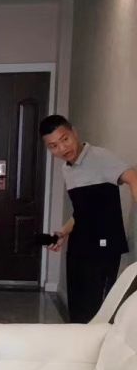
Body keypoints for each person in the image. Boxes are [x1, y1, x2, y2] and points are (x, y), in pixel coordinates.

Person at [40, 114, 137, 323]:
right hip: (80, 246)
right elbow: (83, 211)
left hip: (104, 247)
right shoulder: (67, 169)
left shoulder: (100, 157)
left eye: (65, 139)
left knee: (99, 312)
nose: (62, 148)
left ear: (74, 133)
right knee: (78, 309)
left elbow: (132, 177)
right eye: (54, 146)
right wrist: (63, 232)